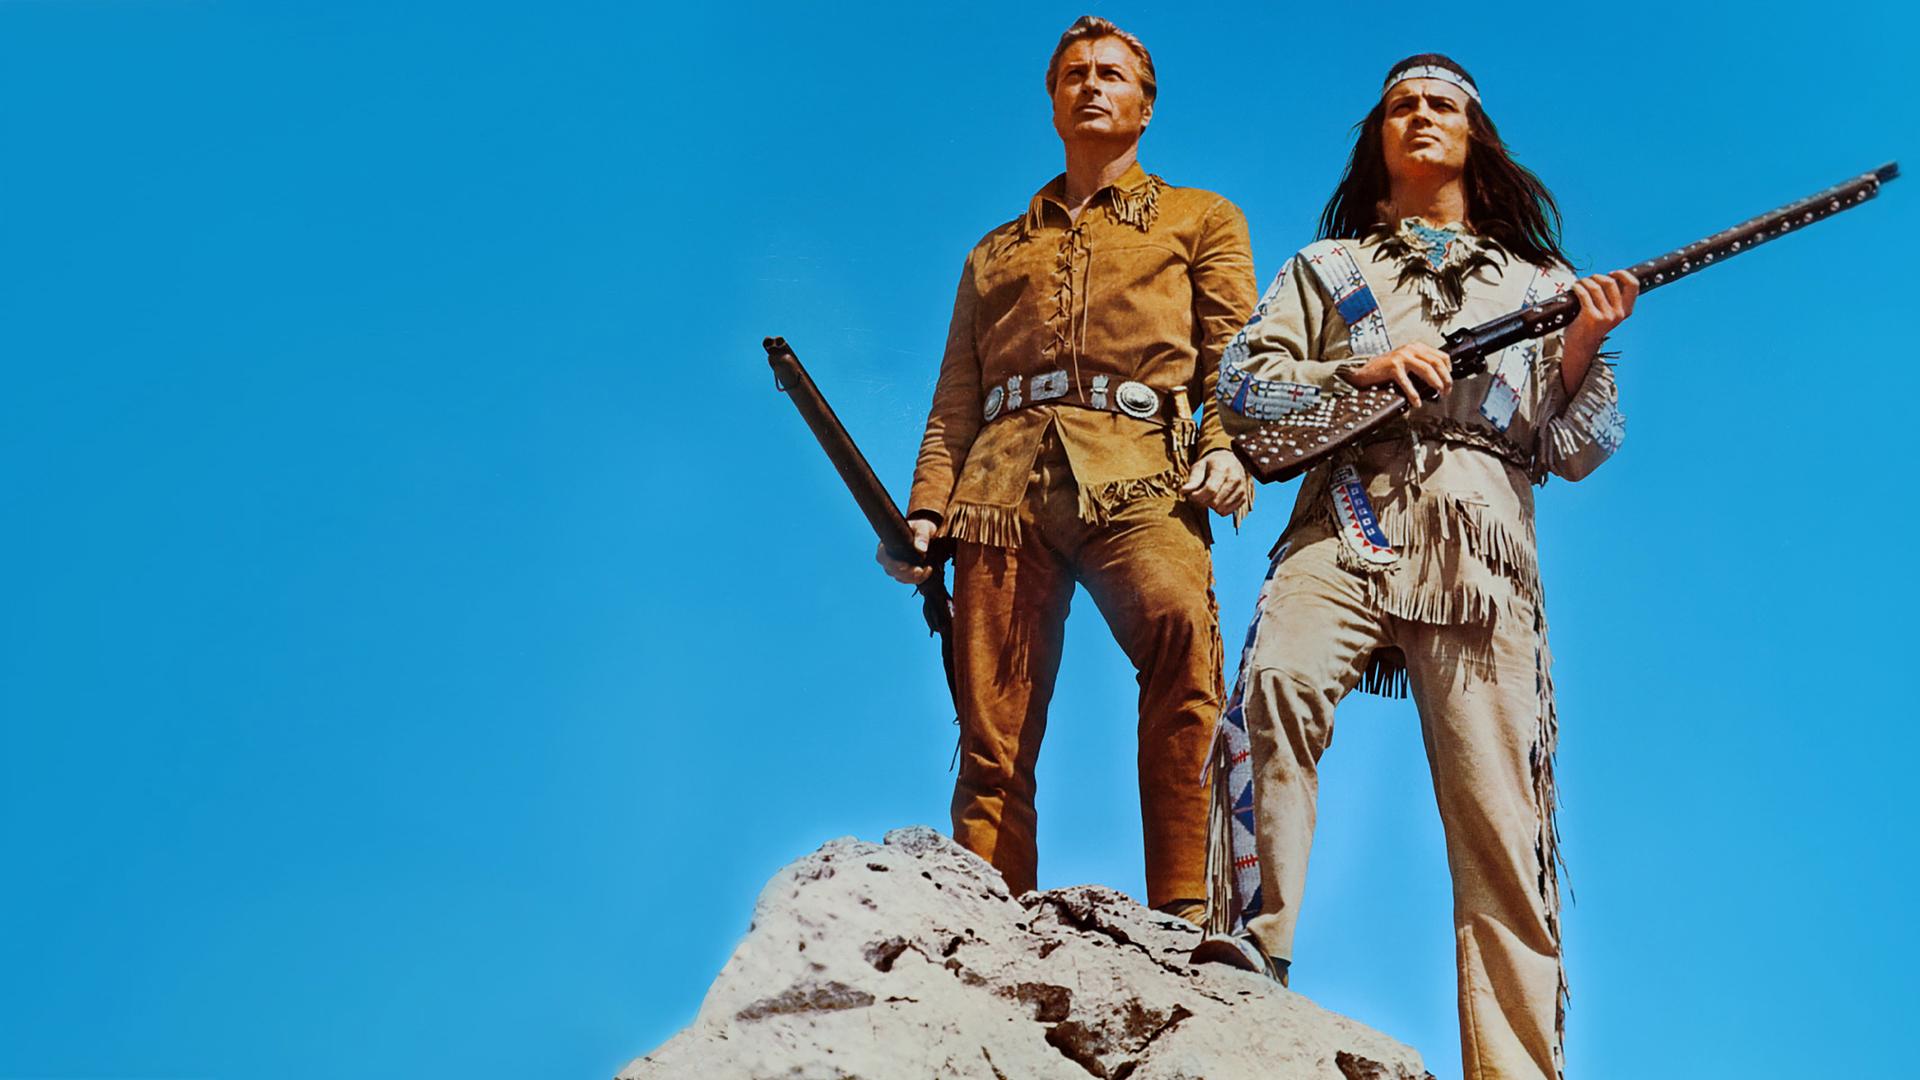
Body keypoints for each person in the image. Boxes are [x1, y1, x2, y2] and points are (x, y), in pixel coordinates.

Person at [1191, 54, 1638, 1080]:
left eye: (1442, 104)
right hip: (1343, 516)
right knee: (1271, 688)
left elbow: (1579, 446)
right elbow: (1245, 388)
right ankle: (1252, 943)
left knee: (1500, 812)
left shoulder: (1543, 284)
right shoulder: (1327, 269)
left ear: (1476, 136)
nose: (1422, 116)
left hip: (1482, 550)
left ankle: (1516, 1064)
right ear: (1378, 136)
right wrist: (1366, 368)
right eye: (1402, 105)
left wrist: (1580, 346)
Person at [877, 16, 1256, 925]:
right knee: (990, 719)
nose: (1091, 85)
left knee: (1182, 648)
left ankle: (1189, 915)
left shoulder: (1201, 218)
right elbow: (954, 400)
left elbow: (1234, 362)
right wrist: (925, 512)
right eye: (1074, 74)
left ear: (1145, 106)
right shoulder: (994, 251)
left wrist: (1226, 447)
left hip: (1143, 473)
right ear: (1051, 103)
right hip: (999, 488)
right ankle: (988, 915)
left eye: (1111, 74)